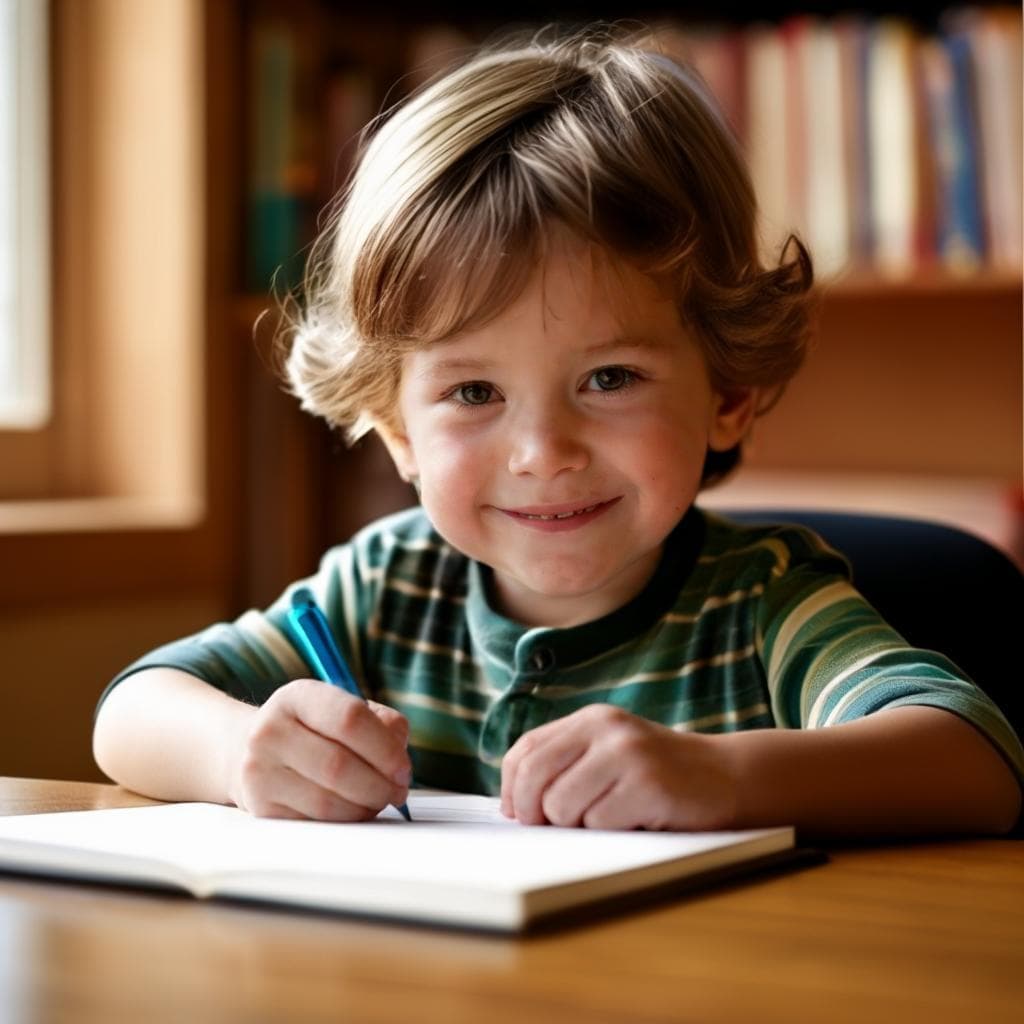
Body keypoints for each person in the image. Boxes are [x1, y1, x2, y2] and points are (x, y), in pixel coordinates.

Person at [93, 28, 1023, 837]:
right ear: (395, 429)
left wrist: (725, 777)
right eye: (471, 392)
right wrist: (241, 750)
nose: (543, 453)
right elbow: (129, 712)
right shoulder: (383, 588)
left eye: (609, 378)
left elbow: (976, 762)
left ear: (728, 394)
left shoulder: (762, 604)